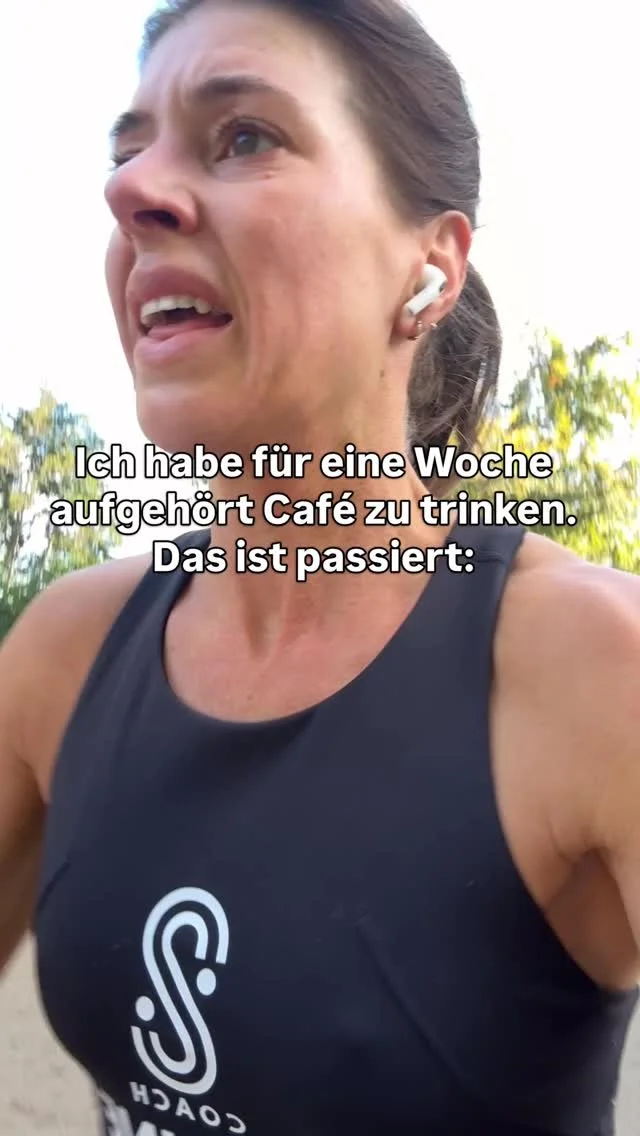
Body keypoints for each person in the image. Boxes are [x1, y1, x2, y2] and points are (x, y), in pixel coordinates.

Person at [1, 0, 639, 1133]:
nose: (131, 190)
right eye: (126, 150)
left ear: (430, 268)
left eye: (244, 135)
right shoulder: (67, 649)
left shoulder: (598, 671)